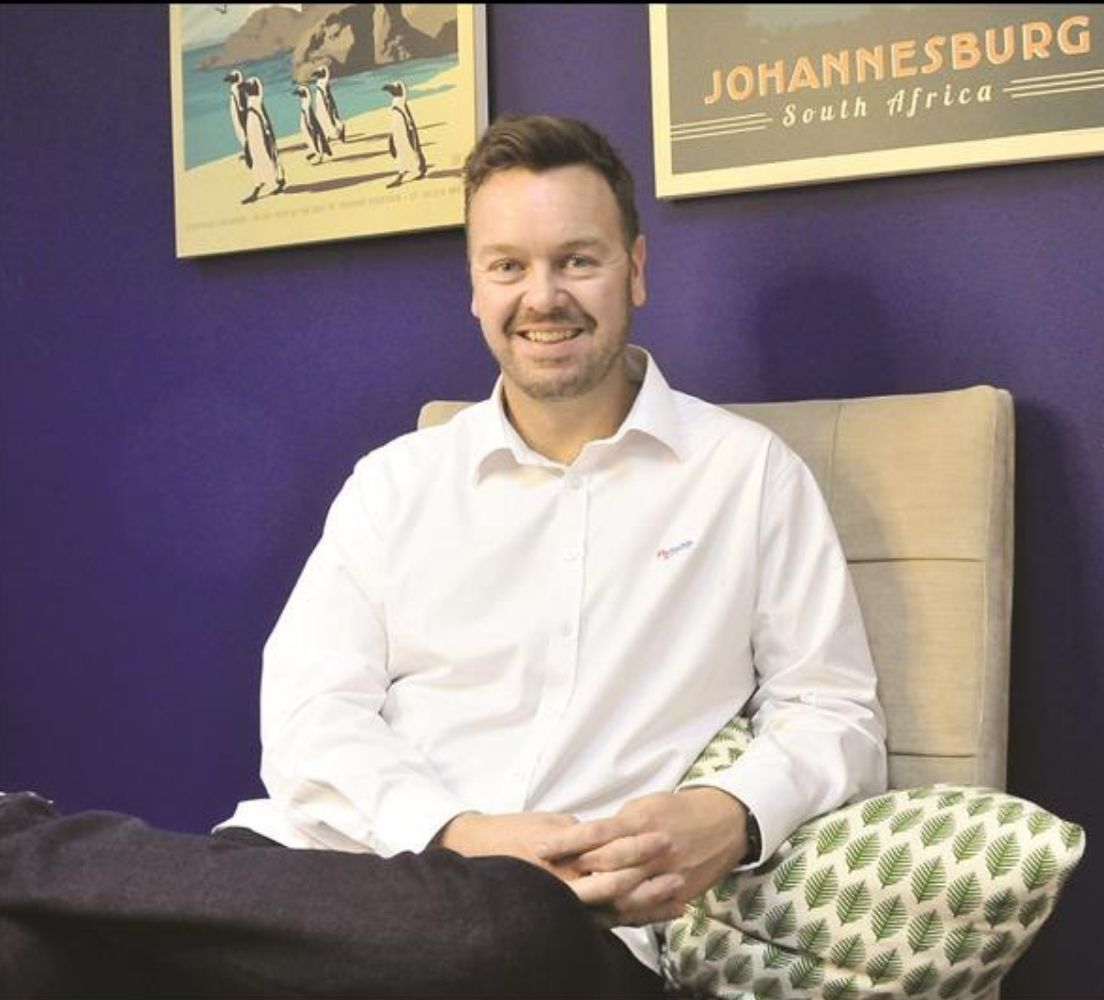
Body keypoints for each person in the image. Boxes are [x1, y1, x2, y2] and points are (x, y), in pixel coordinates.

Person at [0, 115, 886, 997]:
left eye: (577, 260)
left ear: (636, 270)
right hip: (337, 877)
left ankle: (29, 852)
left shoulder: (747, 476)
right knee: (22, 959)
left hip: (561, 926)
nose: (542, 297)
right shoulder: (397, 481)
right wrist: (456, 832)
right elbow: (310, 711)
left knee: (501, 927)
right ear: (474, 286)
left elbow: (833, 709)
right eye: (508, 266)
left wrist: (732, 813)